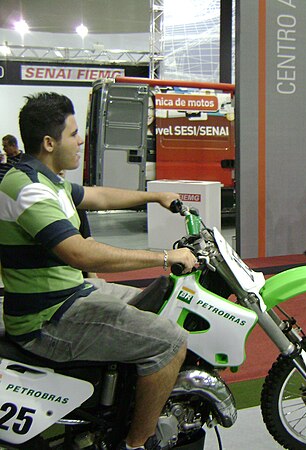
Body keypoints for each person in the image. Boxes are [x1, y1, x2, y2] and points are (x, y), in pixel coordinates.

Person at [0, 92, 198, 450]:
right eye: (74, 134)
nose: (80, 141)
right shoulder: (26, 188)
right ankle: (135, 443)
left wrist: (154, 196)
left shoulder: (50, 180)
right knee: (170, 341)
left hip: (69, 296)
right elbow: (81, 254)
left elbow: (100, 197)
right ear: (49, 142)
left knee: (161, 298)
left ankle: (125, 398)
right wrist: (164, 256)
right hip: (47, 318)